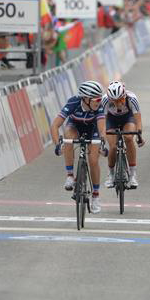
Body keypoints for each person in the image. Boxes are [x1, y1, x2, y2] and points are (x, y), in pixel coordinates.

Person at [51, 81, 106, 214]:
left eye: (100, 98)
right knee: (68, 136)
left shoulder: (99, 106)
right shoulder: (73, 103)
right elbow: (55, 126)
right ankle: (70, 175)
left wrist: (103, 143)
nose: (99, 101)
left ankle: (96, 196)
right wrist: (57, 145)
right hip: (75, 127)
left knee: (93, 161)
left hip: (93, 129)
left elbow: (101, 127)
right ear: (85, 99)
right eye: (96, 99)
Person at [102, 81, 145, 189]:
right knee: (113, 146)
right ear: (110, 98)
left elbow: (138, 119)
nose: (117, 103)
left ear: (124, 96)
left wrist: (139, 135)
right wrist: (101, 137)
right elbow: (102, 121)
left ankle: (132, 174)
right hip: (111, 120)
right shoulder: (105, 100)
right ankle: (111, 174)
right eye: (114, 101)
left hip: (127, 118)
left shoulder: (132, 98)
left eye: (120, 100)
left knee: (129, 138)